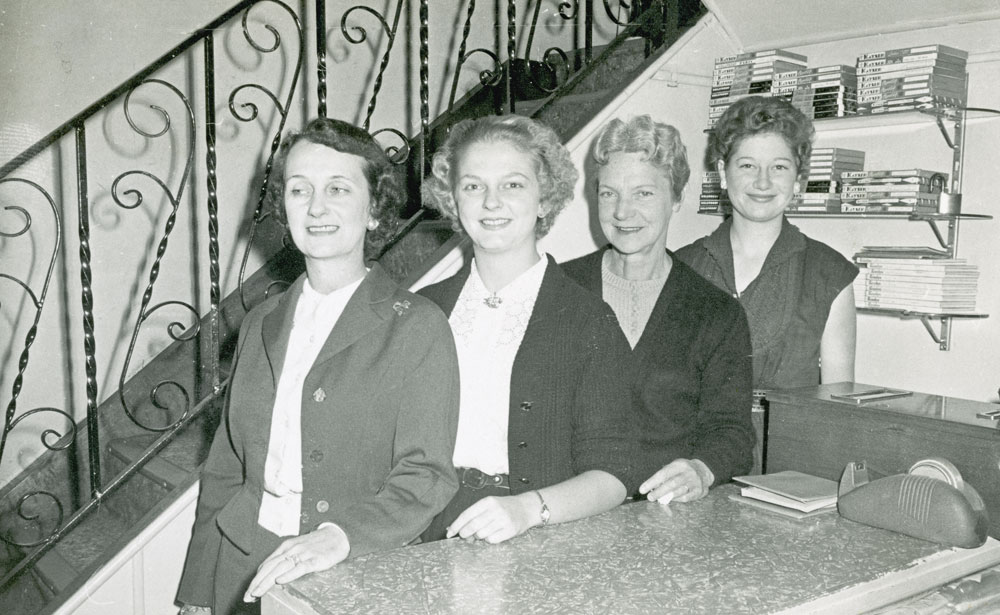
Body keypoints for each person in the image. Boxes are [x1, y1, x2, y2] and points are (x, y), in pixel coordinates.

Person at [176, 118, 460, 615]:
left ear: (374, 210)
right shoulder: (262, 320)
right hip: (241, 570)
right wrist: (198, 594)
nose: (317, 206)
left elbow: (427, 476)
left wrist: (339, 537)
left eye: (338, 188)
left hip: (352, 573)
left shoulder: (417, 326)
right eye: (299, 189)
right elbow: (227, 466)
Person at [418, 114, 637, 544]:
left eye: (513, 184)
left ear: (544, 199)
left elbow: (616, 472)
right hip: (427, 529)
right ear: (453, 200)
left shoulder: (587, 320)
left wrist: (528, 509)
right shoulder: (424, 309)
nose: (491, 202)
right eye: (473, 186)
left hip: (537, 533)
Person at [562, 115, 754, 504]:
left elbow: (732, 432)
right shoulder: (558, 290)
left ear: (677, 198)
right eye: (609, 193)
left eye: (644, 194)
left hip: (663, 514)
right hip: (568, 509)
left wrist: (701, 469)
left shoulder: (716, 313)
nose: (622, 212)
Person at [676, 96, 858, 390]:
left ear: (798, 179)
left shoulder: (830, 275)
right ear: (723, 173)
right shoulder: (681, 268)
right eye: (747, 165)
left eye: (779, 168)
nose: (763, 183)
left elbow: (837, 411)